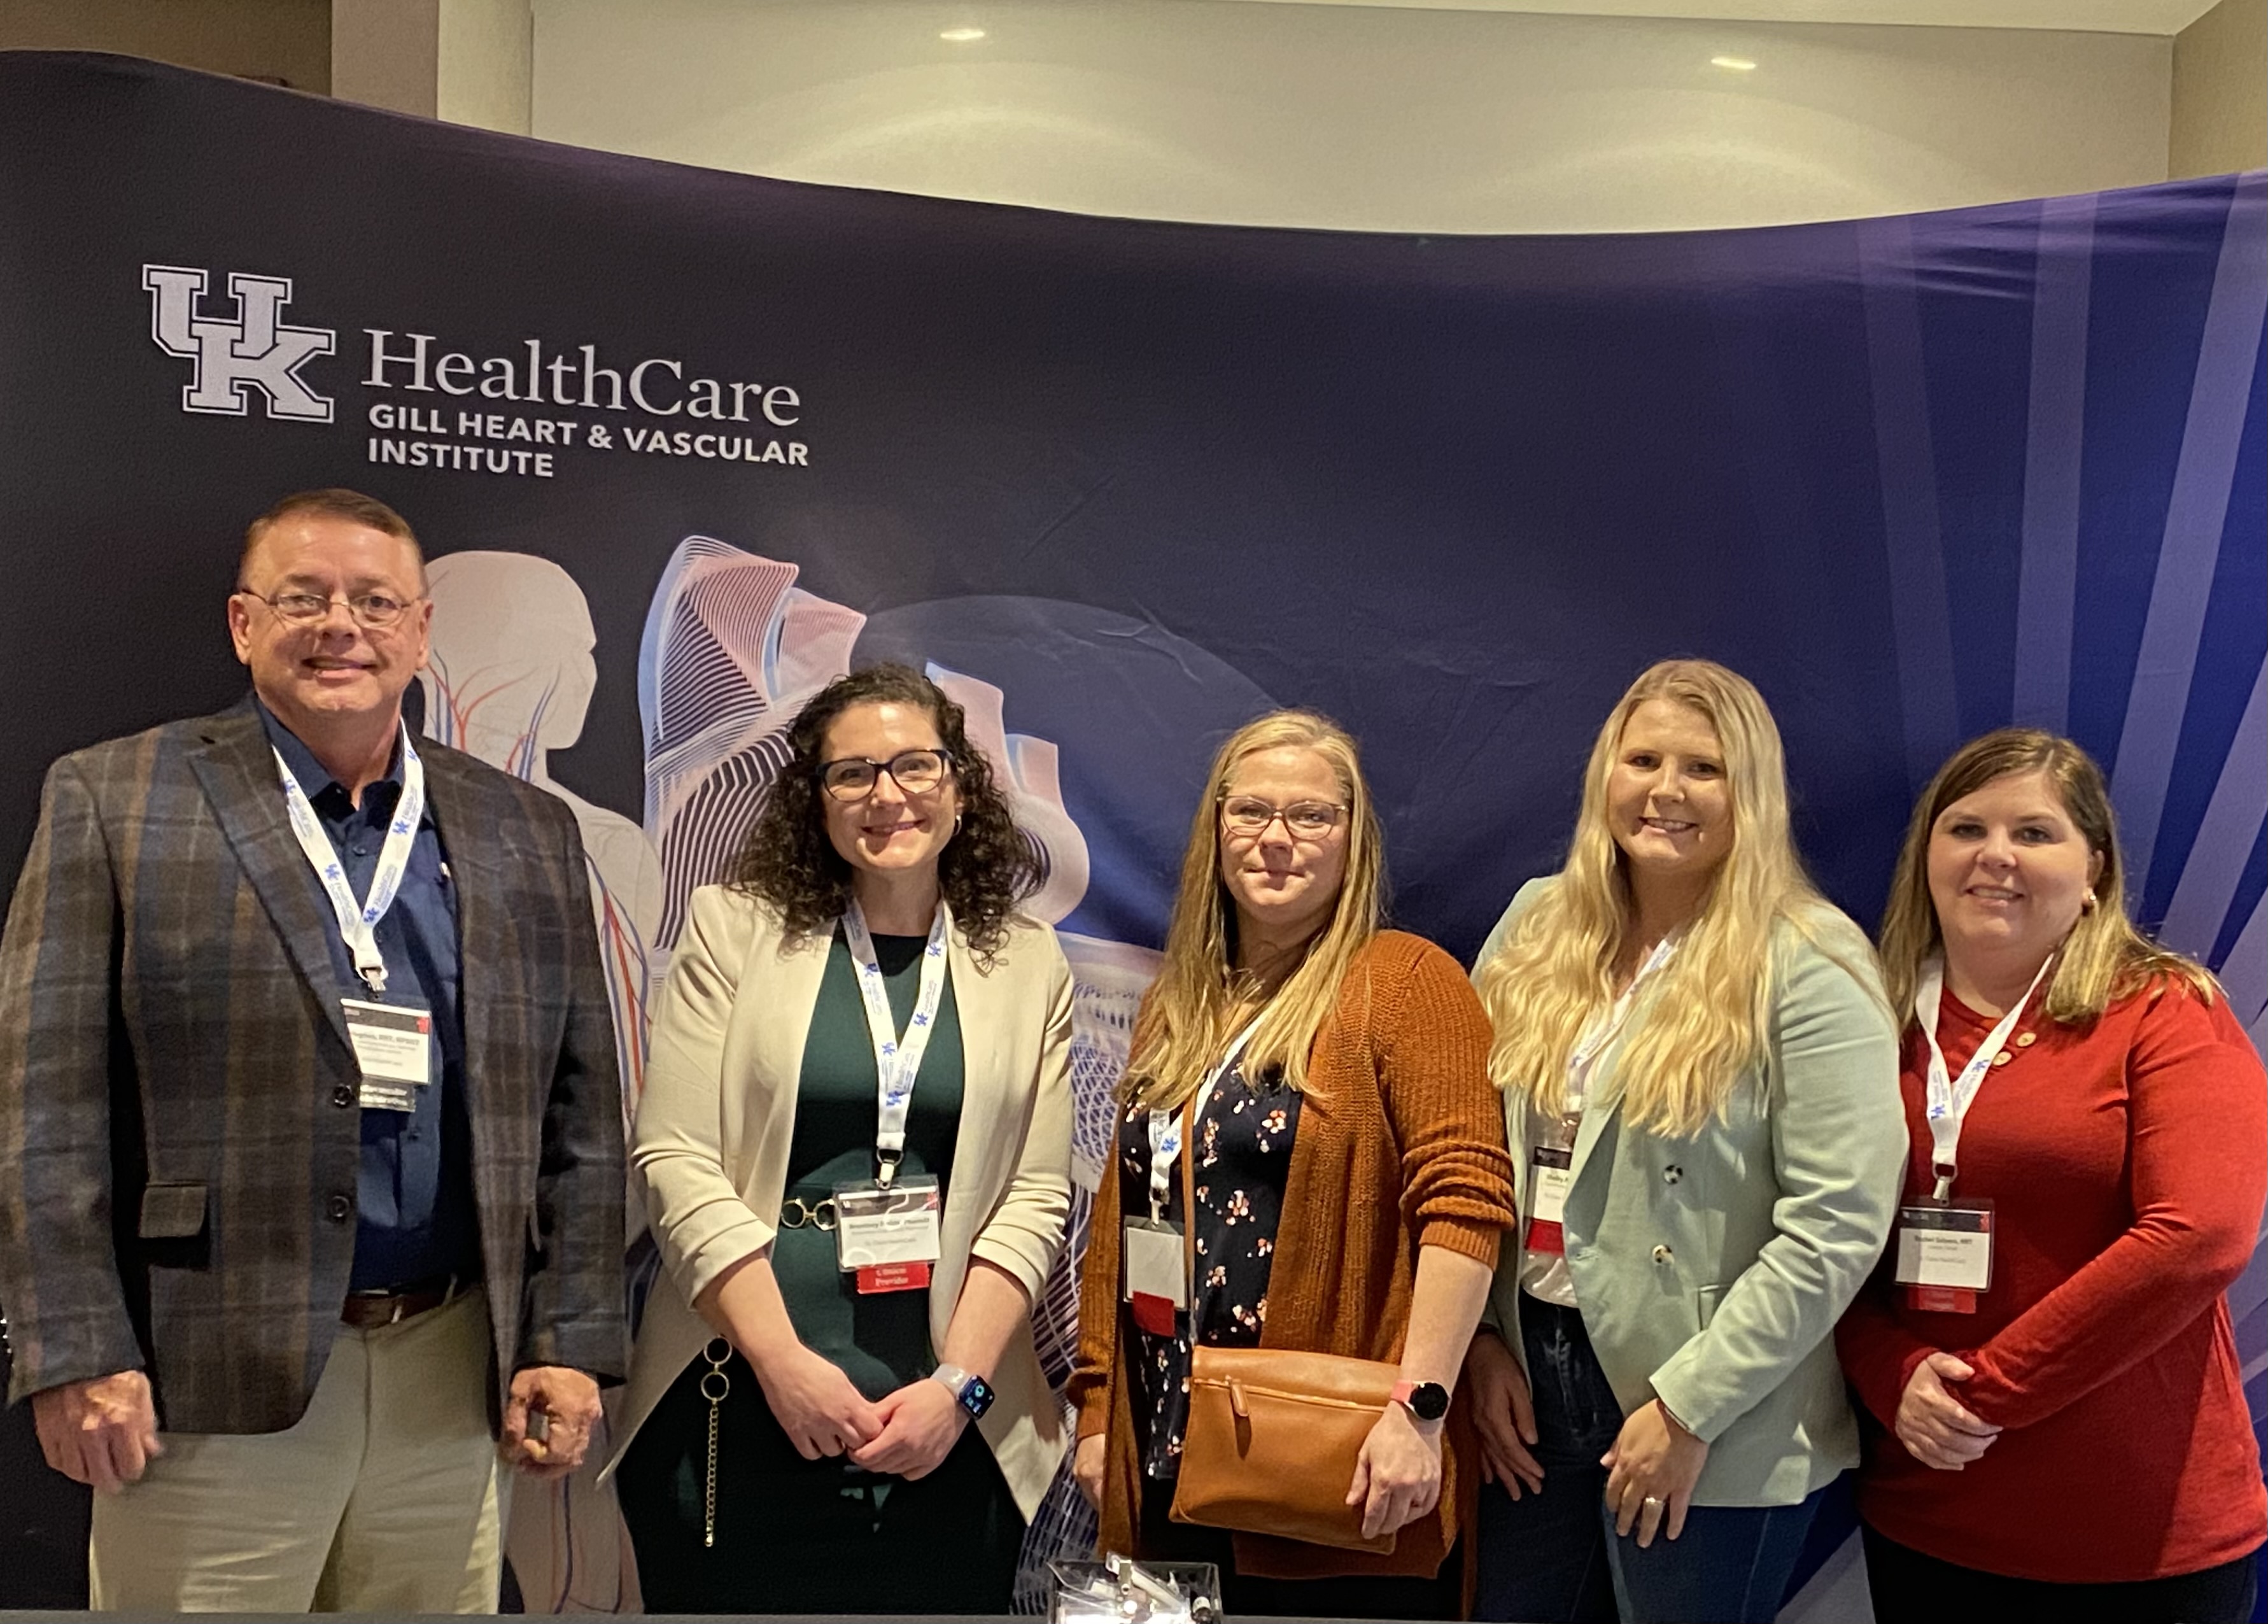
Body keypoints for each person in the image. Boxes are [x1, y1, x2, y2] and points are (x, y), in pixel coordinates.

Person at [0, 488, 627, 1613]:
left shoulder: (525, 830)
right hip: (204, 1377)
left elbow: (581, 1118)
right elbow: (46, 1107)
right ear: (245, 625)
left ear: (423, 631)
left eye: (375, 600)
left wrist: (571, 1337)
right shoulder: (116, 796)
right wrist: (74, 1349)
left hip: (454, 1373)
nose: (343, 624)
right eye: (304, 598)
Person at [607, 662, 1072, 1614]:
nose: (887, 795)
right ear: (814, 800)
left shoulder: (1028, 961)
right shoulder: (735, 929)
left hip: (949, 1429)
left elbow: (1035, 1196)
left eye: (914, 765)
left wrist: (959, 1392)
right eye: (851, 773)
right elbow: (675, 1159)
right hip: (735, 1400)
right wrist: (784, 1368)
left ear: (960, 783)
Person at [1465, 658, 1903, 1624]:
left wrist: (1691, 1406)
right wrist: (1481, 1340)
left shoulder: (1811, 958)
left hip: (1711, 1399)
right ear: (1604, 777)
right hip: (1532, 1380)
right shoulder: (1536, 926)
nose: (1666, 791)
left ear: (1751, 793)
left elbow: (1838, 1222)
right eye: (1644, 759)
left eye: (1703, 768)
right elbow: (1469, 1151)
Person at [1069, 709, 1517, 1619]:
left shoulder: (1407, 982)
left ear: (1354, 841)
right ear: (1216, 829)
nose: (1277, 839)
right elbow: (1124, 1223)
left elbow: (1466, 1208)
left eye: (1312, 817)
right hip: (1164, 1454)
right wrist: (1094, 1412)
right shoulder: (1177, 1003)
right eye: (1252, 813)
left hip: (1337, 1475)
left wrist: (1419, 1412)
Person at [1835, 728, 2267, 1623]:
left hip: (2138, 1533)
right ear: (1927, 856)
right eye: (1966, 829)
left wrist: (1988, 1392)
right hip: (1929, 1512)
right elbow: (1812, 1234)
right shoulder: (1863, 1021)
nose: (1996, 856)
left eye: (2034, 833)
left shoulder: (2165, 1009)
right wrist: (1893, 1373)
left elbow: (2201, 1235)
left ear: (2095, 871)